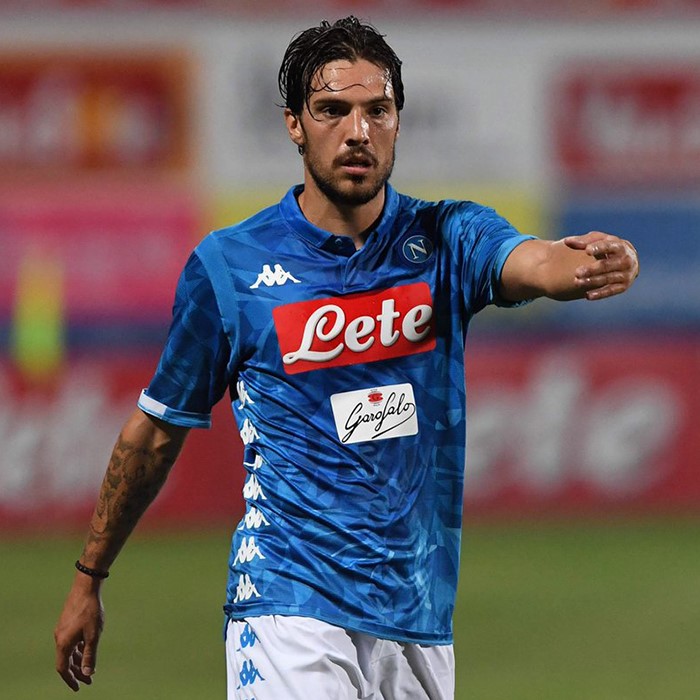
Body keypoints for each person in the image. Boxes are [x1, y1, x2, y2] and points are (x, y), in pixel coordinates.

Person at [54, 16, 639, 700]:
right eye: (332, 110)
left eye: (376, 111)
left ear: (398, 122)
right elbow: (156, 430)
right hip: (286, 602)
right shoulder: (230, 267)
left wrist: (590, 264)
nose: (357, 131)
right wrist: (88, 578)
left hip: (416, 616)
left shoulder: (448, 237)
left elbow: (533, 262)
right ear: (294, 126)